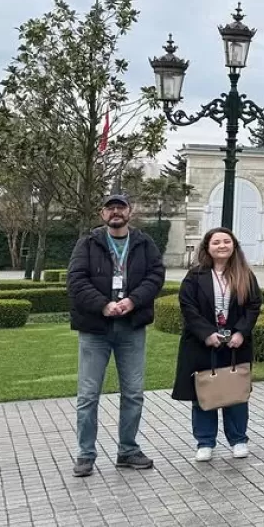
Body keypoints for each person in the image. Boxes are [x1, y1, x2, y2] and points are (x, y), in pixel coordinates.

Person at [67, 194, 166, 477]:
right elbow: (76, 280)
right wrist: (103, 304)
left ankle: (128, 450)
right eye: (110, 208)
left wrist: (132, 301)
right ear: (102, 214)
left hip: (131, 328)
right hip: (96, 329)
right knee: (88, 396)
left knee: (133, 394)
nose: (115, 212)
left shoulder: (144, 243)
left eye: (120, 207)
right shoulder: (87, 243)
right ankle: (85, 455)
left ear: (129, 212)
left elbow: (155, 276)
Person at [171, 228, 263, 460]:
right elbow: (188, 307)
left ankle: (238, 439)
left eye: (226, 241)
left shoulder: (245, 275)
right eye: (216, 242)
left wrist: (241, 332)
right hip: (203, 344)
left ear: (234, 246)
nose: (222, 246)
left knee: (235, 392)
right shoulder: (195, 276)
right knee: (204, 392)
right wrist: (207, 333)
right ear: (207, 247)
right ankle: (205, 441)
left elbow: (253, 306)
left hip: (235, 344)